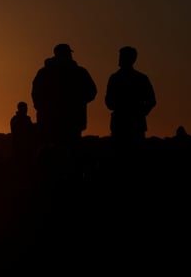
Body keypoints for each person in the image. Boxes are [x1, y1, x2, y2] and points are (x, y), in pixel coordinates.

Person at [31, 44, 97, 184]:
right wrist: (78, 102)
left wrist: (42, 109)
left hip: (50, 122)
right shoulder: (79, 72)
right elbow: (92, 92)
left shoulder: (44, 73)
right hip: (71, 122)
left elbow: (35, 95)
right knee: (69, 155)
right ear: (68, 54)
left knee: (50, 156)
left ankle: (48, 184)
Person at [105, 46, 156, 146]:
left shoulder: (117, 78)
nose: (119, 59)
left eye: (122, 56)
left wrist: (140, 113)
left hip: (128, 124)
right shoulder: (139, 78)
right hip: (122, 124)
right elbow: (108, 101)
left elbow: (151, 100)